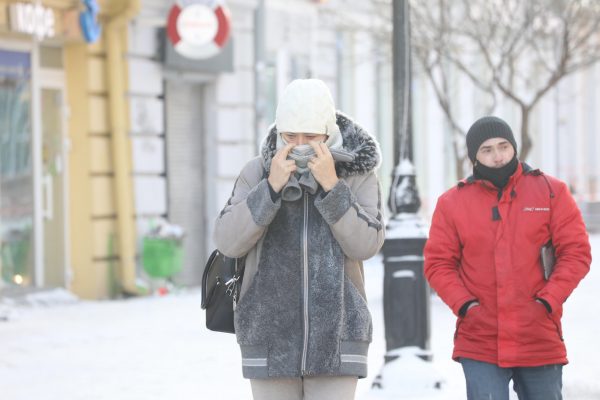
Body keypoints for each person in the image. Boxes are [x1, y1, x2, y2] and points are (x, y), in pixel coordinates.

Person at [213, 79, 385, 400]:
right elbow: (227, 240)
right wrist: (270, 189)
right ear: (279, 132)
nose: (300, 145)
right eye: (291, 137)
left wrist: (333, 188)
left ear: (328, 132)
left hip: (338, 336)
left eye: (311, 137)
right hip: (268, 335)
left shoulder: (357, 175)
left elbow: (366, 244)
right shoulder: (256, 172)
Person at [423, 116, 592, 400]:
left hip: (538, 333)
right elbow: (439, 264)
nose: (498, 156)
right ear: (474, 157)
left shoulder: (551, 192)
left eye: (503, 146)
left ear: (514, 147)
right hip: (479, 338)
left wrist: (548, 300)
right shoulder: (451, 203)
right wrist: (466, 306)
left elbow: (576, 253)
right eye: (486, 150)